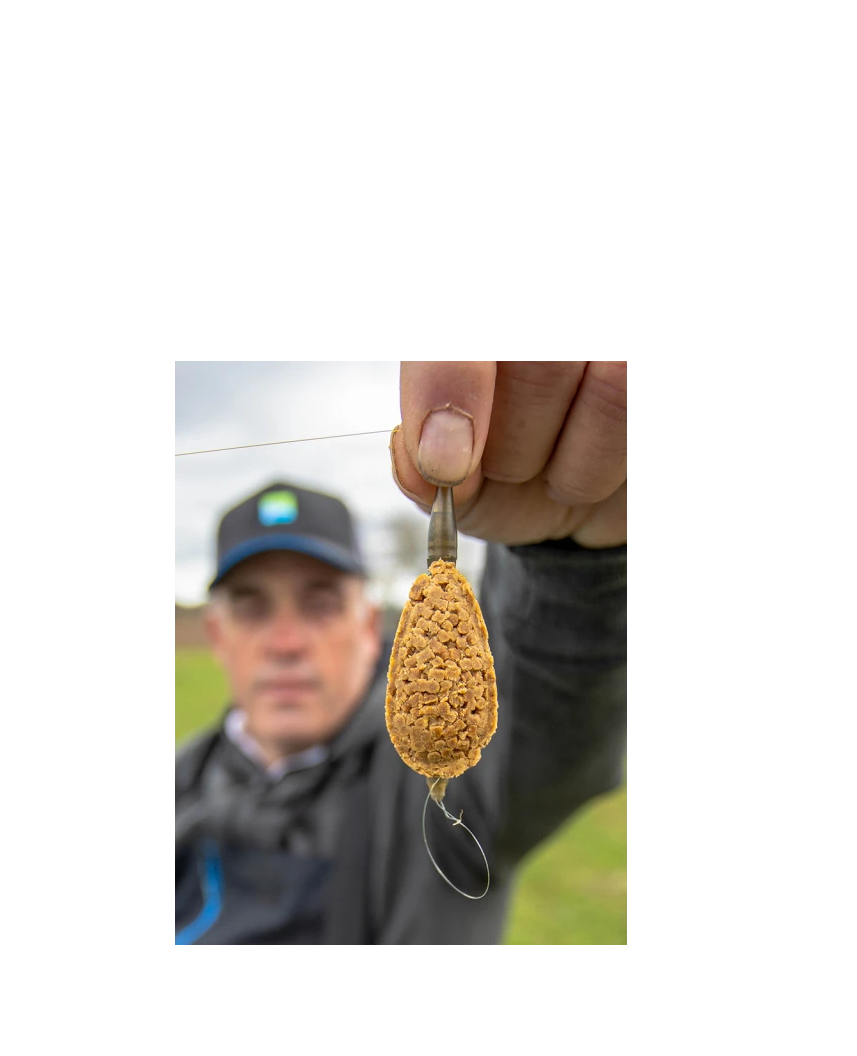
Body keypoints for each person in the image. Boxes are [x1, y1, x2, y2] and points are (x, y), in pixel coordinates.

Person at [173, 358, 627, 950]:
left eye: (319, 604)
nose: (285, 643)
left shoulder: (459, 792)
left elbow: (556, 721)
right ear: (216, 634)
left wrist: (573, 558)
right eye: (253, 608)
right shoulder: (179, 787)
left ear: (368, 626)